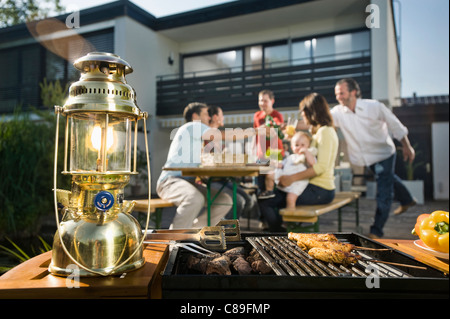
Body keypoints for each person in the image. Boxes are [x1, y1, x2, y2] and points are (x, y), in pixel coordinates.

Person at [332, 78, 416, 239]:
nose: (338, 97)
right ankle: (407, 200)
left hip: (384, 153)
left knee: (384, 191)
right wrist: (290, 125)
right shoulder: (338, 112)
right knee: (388, 178)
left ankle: (376, 231)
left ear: (353, 92)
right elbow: (320, 120)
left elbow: (395, 125)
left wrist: (407, 145)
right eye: (337, 94)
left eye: (341, 93)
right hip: (366, 158)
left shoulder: (374, 106)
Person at [258, 93, 338, 232]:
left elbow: (321, 167)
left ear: (311, 113)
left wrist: (291, 178)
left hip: (320, 189)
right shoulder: (319, 132)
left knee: (267, 201)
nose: (303, 118)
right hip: (312, 185)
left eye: (303, 114)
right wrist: (292, 140)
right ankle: (280, 231)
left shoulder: (325, 132)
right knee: (268, 194)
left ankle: (279, 234)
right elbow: (304, 156)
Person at [156, 102, 233, 229]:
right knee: (195, 199)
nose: (209, 117)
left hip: (189, 182)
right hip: (169, 182)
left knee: (224, 201)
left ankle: (195, 232)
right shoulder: (192, 126)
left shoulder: (195, 138)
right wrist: (256, 131)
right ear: (195, 116)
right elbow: (221, 135)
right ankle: (174, 239)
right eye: (206, 114)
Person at [207, 105, 258, 220]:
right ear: (215, 117)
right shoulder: (209, 134)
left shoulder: (216, 135)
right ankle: (227, 228)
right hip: (209, 180)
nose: (223, 118)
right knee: (239, 202)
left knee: (249, 201)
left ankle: (228, 223)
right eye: (222, 115)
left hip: (223, 179)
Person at [273, 131, 317, 210]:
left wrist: (306, 152)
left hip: (298, 182)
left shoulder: (307, 156)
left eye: (303, 145)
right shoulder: (291, 157)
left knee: (290, 199)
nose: (299, 147)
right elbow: (282, 165)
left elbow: (313, 164)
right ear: (292, 147)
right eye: (296, 145)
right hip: (285, 180)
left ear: (308, 146)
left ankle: (290, 218)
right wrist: (276, 164)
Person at [253, 90, 285, 199]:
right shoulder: (257, 115)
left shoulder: (276, 115)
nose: (262, 103)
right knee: (260, 184)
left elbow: (277, 125)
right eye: (260, 100)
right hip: (260, 154)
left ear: (272, 101)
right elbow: (255, 134)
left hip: (274, 152)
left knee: (271, 185)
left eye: (265, 101)